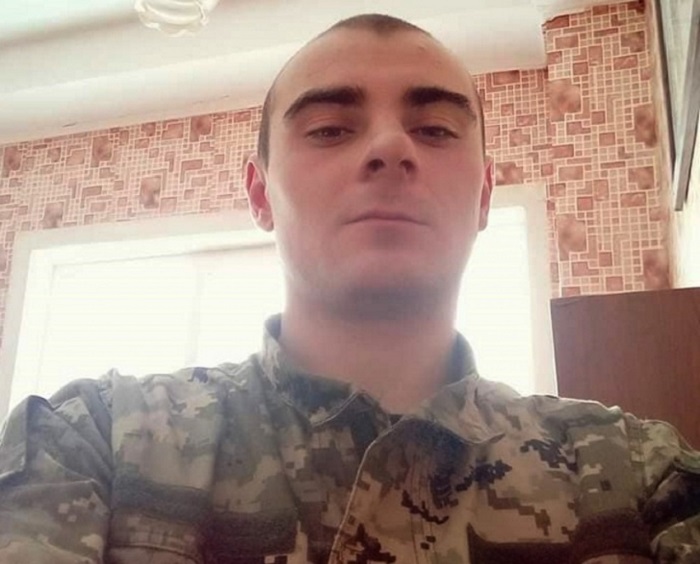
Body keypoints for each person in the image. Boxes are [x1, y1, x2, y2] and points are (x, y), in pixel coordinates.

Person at [0, 13, 699, 564]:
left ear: (485, 195)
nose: (391, 148)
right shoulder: (90, 440)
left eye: (435, 129)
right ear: (259, 194)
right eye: (331, 129)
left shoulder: (640, 474)